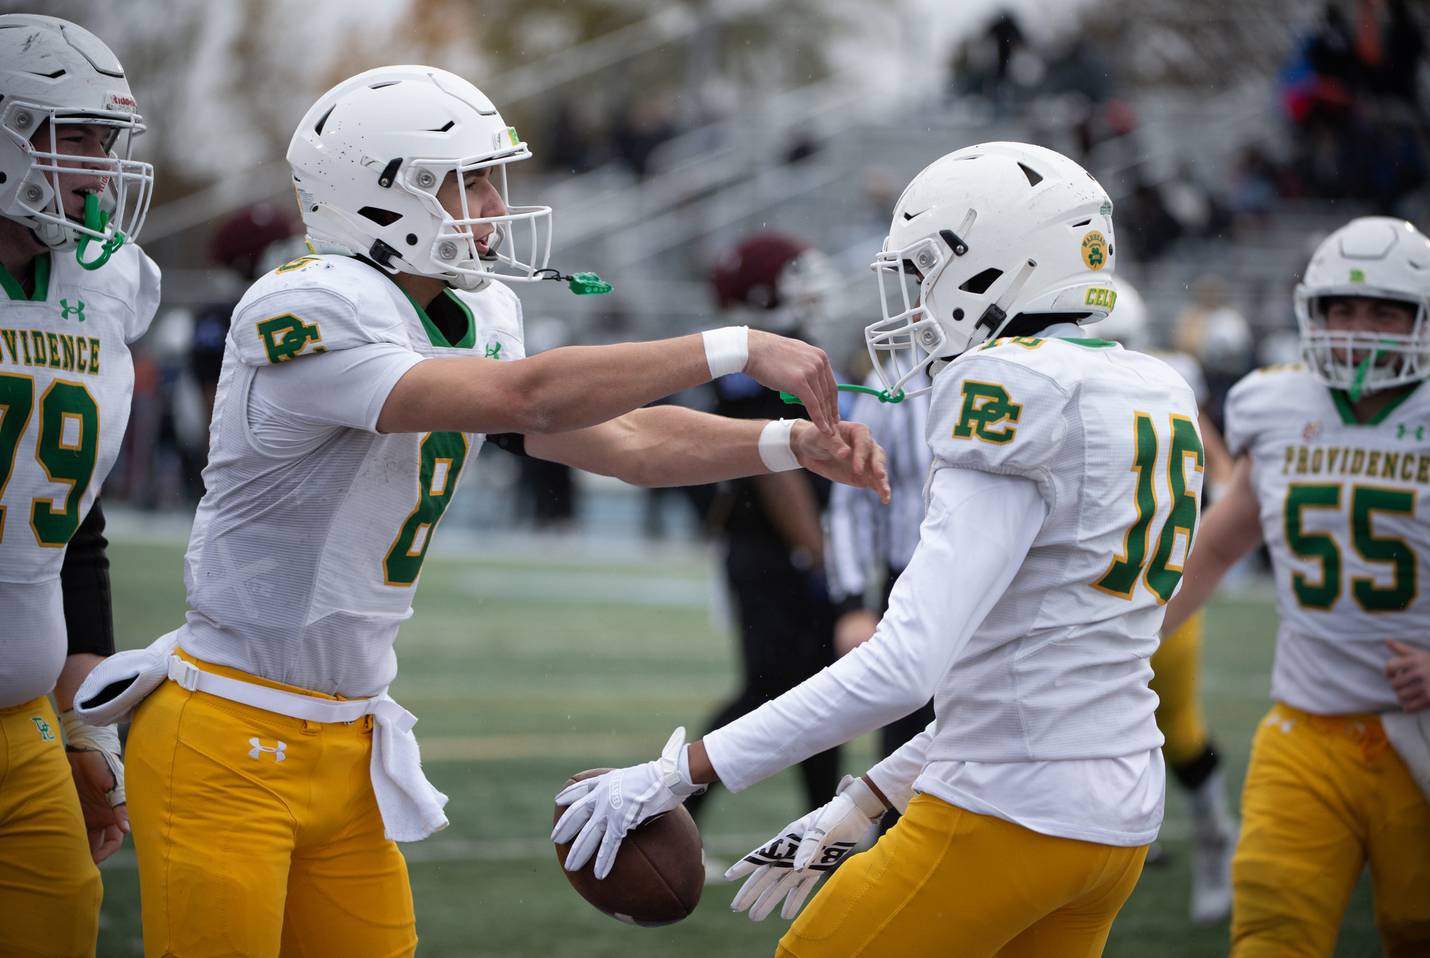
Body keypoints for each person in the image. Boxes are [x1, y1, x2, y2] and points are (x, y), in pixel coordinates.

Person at [95, 65, 887, 958]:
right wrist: (735, 345)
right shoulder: (308, 304)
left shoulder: (476, 311)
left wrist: (785, 444)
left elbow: (622, 439)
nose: (494, 207)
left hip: (350, 736)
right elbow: (534, 399)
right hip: (226, 734)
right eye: (467, 182)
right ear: (382, 194)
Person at [556, 141, 1204, 957]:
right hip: (1110, 827)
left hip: (1007, 814)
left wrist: (677, 772)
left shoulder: (1011, 386)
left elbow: (905, 667)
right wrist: (867, 797)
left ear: (1000, 264)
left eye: (927, 269)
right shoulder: (1151, 385)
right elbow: (1034, 669)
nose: (913, 297)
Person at [1159, 215, 1430, 957]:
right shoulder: (1277, 404)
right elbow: (1220, 542)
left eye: (1386, 311)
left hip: (1427, 730)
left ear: (1427, 318)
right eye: (1342, 310)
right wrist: (1131, 638)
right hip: (1307, 727)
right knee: (1273, 927)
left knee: (1419, 929)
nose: (1360, 331)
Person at [0, 14, 158, 958]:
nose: (98, 167)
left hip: (22, 725)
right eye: (73, 135)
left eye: (107, 140)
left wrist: (84, 721)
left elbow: (69, 519)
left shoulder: (103, 285)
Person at [687, 232, 848, 831]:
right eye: (798, 273)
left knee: (817, 694)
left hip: (785, 548)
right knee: (770, 693)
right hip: (775, 551)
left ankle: (822, 827)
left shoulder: (775, 351)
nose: (815, 283)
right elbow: (775, 467)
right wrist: (820, 556)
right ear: (764, 292)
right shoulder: (751, 363)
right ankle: (670, 802)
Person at [1089, 277, 1238, 924]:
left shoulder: (1163, 380)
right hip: (1082, 589)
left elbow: (1224, 470)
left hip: (1149, 585)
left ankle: (1213, 840)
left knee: (1175, 727)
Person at [823, 360, 932, 836]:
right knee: (905, 723)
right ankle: (889, 838)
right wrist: (852, 601)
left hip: (1001, 585)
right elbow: (853, 499)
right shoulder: (893, 380)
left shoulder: (1021, 370)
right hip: (910, 579)